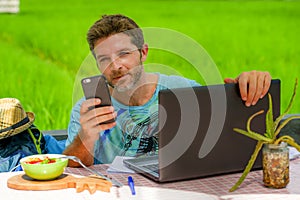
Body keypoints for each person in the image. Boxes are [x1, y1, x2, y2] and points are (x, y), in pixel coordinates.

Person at [63, 14, 272, 167]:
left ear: (143, 52)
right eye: (104, 59)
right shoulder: (87, 109)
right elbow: (73, 168)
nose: (115, 66)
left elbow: (226, 129)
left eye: (124, 54)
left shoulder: (183, 91)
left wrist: (243, 89)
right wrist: (86, 136)